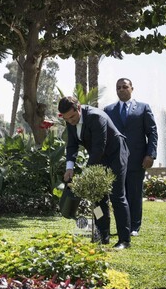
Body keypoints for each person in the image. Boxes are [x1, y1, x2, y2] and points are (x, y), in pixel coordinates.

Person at [58, 96, 131, 249]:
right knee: (98, 200)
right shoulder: (70, 120)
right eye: (66, 119)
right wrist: (69, 168)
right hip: (97, 156)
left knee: (117, 196)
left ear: (78, 108)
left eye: (72, 117)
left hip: (115, 155)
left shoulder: (96, 117)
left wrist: (85, 176)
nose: (70, 121)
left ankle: (124, 240)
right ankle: (102, 235)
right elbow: (72, 146)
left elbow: (99, 148)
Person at [104, 78, 157, 236]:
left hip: (137, 159)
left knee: (134, 194)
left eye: (124, 87)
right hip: (115, 160)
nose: (121, 89)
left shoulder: (143, 108)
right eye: (118, 87)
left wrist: (150, 154)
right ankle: (123, 226)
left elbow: (152, 132)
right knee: (119, 195)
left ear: (132, 88)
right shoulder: (108, 110)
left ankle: (134, 227)